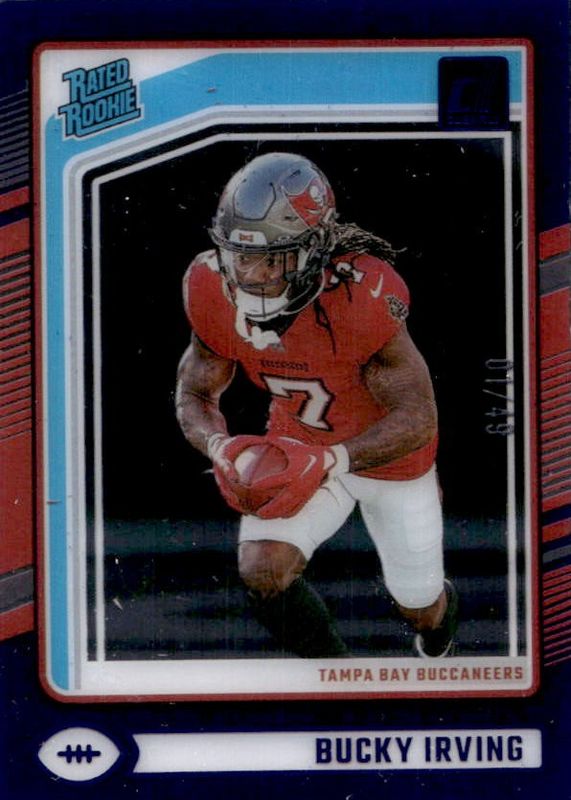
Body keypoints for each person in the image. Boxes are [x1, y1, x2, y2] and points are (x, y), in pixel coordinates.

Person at [175, 151, 458, 658]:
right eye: (241, 255)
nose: (252, 274)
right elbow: (194, 393)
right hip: (298, 442)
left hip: (392, 463)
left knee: (420, 605)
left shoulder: (360, 295)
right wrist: (218, 445)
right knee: (262, 570)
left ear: (315, 248)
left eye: (273, 257)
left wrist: (331, 460)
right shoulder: (208, 285)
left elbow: (418, 419)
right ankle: (336, 680)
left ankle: (439, 626)